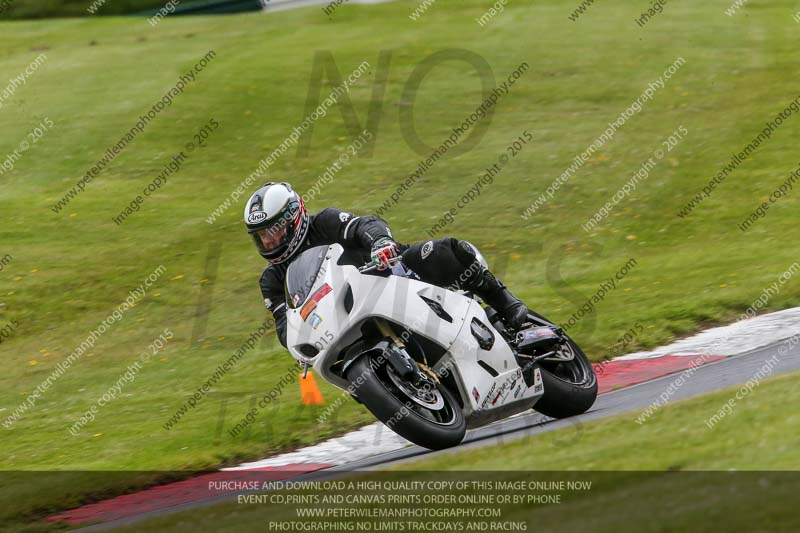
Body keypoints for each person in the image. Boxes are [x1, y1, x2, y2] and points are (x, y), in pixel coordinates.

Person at [244, 182, 529, 347]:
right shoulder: (271, 280)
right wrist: (301, 340)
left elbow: (364, 224)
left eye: (273, 231)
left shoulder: (325, 222)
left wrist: (380, 243)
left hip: (393, 274)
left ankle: (504, 301)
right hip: (348, 321)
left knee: (445, 251)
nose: (268, 241)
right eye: (261, 236)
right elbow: (285, 328)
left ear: (293, 218)